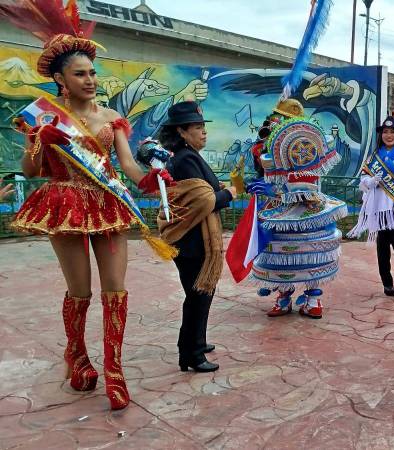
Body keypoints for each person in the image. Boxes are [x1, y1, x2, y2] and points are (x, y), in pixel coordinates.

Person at [0, 0, 173, 410]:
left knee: (117, 290)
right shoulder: (44, 117)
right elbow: (32, 169)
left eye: (93, 72)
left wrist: (151, 180)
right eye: (80, 73)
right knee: (81, 291)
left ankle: (115, 370)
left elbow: (127, 165)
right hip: (65, 201)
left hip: (108, 203)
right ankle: (76, 356)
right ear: (60, 79)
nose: (90, 79)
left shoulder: (112, 117)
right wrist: (41, 141)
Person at [236, 100, 346, 319]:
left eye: (280, 118)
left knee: (311, 252)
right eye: (275, 118)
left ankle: (313, 299)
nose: (276, 122)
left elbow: (308, 188)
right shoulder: (271, 143)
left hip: (308, 211)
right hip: (278, 210)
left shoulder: (304, 143)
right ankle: (283, 297)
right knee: (279, 251)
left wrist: (274, 190)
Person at [156, 101, 235, 372]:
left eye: (203, 127)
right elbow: (203, 201)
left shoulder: (183, 155)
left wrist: (217, 188)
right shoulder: (186, 158)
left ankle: (195, 342)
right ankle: (191, 354)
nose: (204, 132)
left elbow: (200, 191)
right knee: (198, 295)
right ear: (181, 131)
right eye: (198, 128)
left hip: (193, 240)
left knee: (200, 294)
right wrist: (229, 193)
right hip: (193, 242)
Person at [347, 117, 394, 297]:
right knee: (382, 253)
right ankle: (387, 283)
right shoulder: (373, 158)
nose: (389, 135)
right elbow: (362, 181)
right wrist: (372, 181)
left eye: (393, 132)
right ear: (381, 135)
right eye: (385, 132)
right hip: (379, 213)